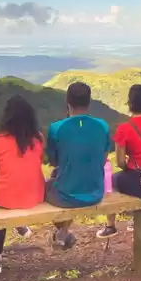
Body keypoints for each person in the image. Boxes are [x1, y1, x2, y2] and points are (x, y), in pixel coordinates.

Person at [45, 82, 112, 248]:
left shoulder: (56, 128)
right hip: (96, 192)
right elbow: (103, 160)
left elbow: (54, 162)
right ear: (89, 102)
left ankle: (62, 233)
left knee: (46, 186)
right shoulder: (102, 126)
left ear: (67, 101)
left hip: (67, 195)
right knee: (68, 180)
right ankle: (62, 234)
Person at [0, 95, 44, 273]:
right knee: (9, 191)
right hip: (34, 195)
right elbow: (35, 166)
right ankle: (19, 224)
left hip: (5, 198)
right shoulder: (38, 139)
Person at [97, 84, 141, 239]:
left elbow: (120, 162)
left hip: (140, 180)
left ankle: (110, 225)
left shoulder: (125, 128)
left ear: (130, 103)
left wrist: (129, 167)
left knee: (111, 180)